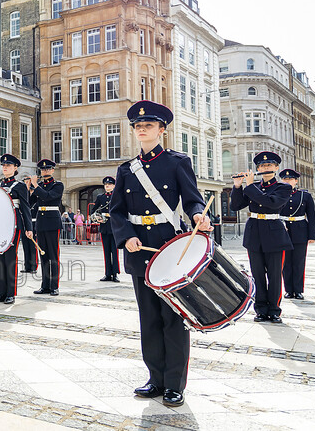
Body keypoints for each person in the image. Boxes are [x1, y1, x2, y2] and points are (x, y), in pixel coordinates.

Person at [109, 100, 211, 408]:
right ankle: (155, 379)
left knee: (173, 319)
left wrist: (197, 216)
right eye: (138, 127)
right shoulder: (126, 169)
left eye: (148, 126)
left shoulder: (178, 161)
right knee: (149, 318)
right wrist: (126, 237)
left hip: (170, 248)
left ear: (161, 129)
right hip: (140, 251)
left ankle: (174, 383)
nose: (142, 130)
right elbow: (117, 212)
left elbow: (193, 200)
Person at [230, 152, 292, 323]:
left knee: (274, 274)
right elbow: (236, 206)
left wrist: (249, 186)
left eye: (269, 166)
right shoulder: (253, 185)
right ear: (257, 168)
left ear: (276, 168)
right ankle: (261, 309)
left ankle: (274, 310)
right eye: (262, 166)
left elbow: (271, 203)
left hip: (274, 235)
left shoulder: (283, 187)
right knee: (257, 274)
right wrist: (237, 187)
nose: (266, 168)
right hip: (254, 233)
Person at [0, 154, 33, 305]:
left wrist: (29, 228)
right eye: (3, 165)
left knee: (10, 258)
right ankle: (1, 292)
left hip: (13, 224)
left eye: (8, 166)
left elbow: (25, 208)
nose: (5, 167)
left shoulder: (20, 186)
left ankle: (11, 293)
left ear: (15, 168)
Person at [278, 169, 315, 300]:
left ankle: (298, 290)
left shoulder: (305, 196)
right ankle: (288, 290)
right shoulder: (277, 195)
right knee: (285, 262)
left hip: (300, 231)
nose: (287, 181)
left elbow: (311, 216)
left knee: (299, 262)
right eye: (285, 179)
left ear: (295, 181)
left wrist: (312, 236)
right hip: (283, 231)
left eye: (290, 179)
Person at [30, 159, 63, 295]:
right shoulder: (40, 185)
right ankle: (45, 285)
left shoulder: (57, 185)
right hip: (41, 222)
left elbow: (48, 197)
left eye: (48, 169)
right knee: (43, 255)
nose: (45, 171)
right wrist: (28, 188)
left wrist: (35, 186)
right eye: (43, 169)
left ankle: (54, 286)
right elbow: (31, 202)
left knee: (53, 255)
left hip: (52, 221)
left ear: (53, 170)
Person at [93, 176, 120, 282]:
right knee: (106, 251)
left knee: (115, 251)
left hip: (114, 227)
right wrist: (97, 218)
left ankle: (115, 273)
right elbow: (94, 210)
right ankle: (107, 273)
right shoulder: (101, 197)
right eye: (105, 185)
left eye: (109, 184)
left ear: (114, 186)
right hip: (104, 226)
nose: (107, 186)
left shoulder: (117, 196)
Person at [20, 176, 39, 274]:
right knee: (25, 246)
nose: (30, 191)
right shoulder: (27, 198)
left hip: (34, 223)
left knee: (32, 246)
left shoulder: (36, 199)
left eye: (31, 190)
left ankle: (33, 266)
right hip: (26, 223)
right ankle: (27, 266)